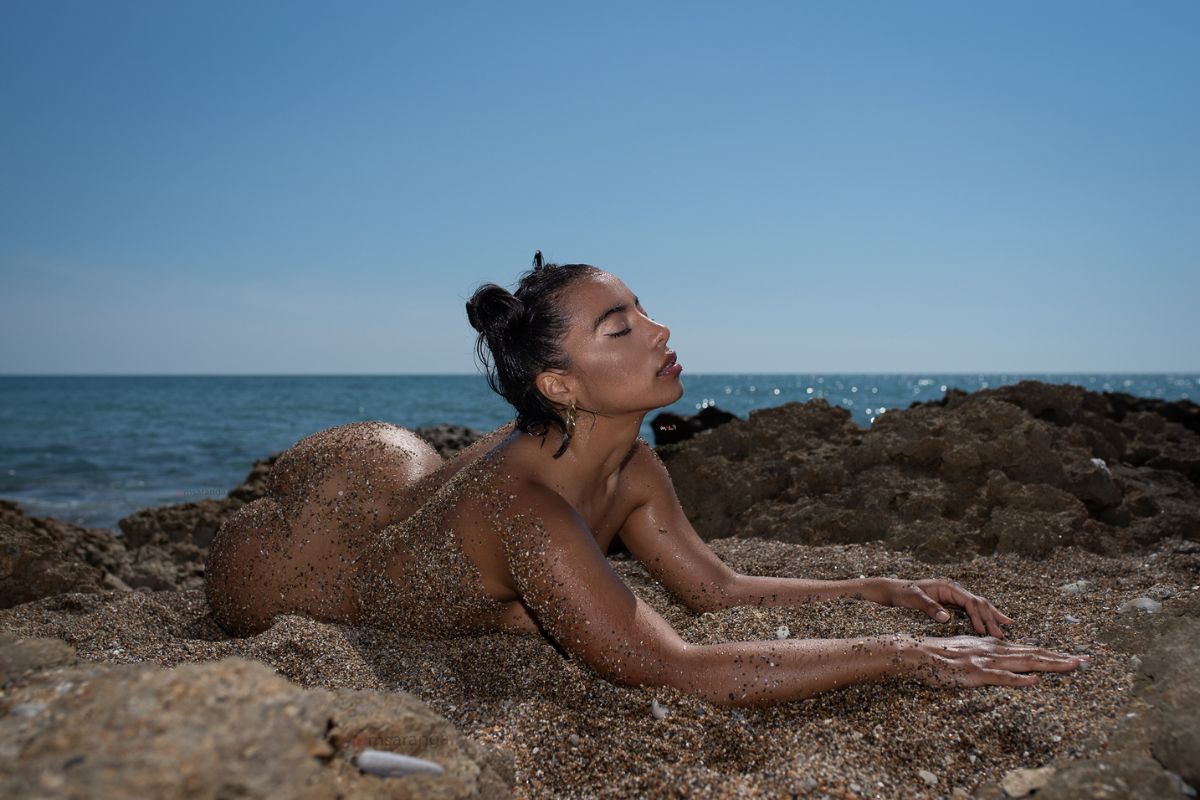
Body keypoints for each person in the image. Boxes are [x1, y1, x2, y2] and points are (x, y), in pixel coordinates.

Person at [205, 251, 1087, 707]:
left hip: (396, 467)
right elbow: (678, 669)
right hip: (295, 564)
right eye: (620, 327)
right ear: (559, 385)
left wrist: (880, 588)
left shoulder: (632, 462)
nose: (660, 329)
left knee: (524, 611)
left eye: (643, 309)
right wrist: (903, 655)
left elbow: (713, 589)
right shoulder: (529, 508)